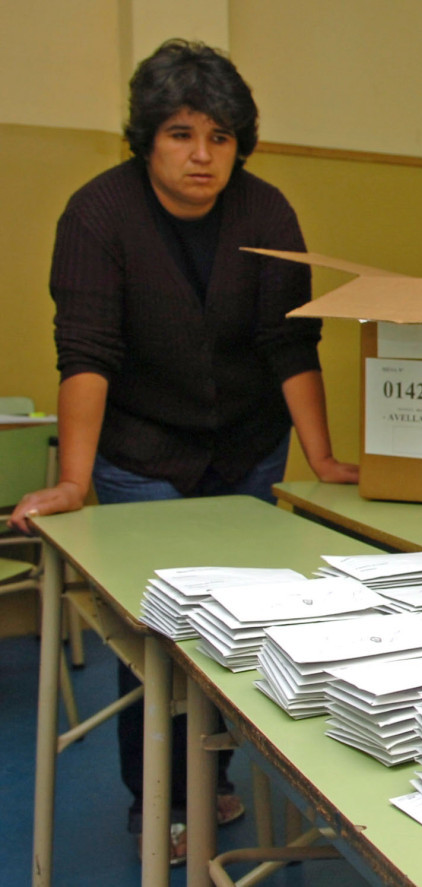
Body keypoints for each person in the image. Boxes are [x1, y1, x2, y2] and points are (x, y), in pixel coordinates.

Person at [7, 38, 358, 864]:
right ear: (147, 138)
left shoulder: (268, 213)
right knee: (159, 635)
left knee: (237, 623)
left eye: (221, 138)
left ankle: (216, 773)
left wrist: (326, 460)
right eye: (181, 135)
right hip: (142, 452)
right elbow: (87, 353)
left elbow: (289, 348)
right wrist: (73, 480)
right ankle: (157, 803)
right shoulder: (97, 214)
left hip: (247, 449)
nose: (203, 156)